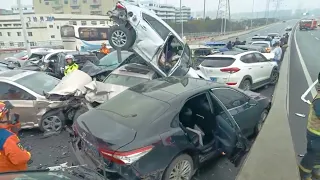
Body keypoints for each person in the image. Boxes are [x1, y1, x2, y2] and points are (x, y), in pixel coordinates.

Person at [0, 101, 32, 173]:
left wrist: (14, 123)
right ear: (2, 119)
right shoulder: (7, 137)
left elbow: (12, 130)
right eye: (7, 114)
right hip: (9, 175)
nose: (10, 115)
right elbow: (20, 159)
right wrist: (27, 154)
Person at [299, 73, 320, 180]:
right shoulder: (319, 100)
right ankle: (304, 173)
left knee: (318, 155)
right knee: (312, 154)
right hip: (315, 134)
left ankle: (315, 170)